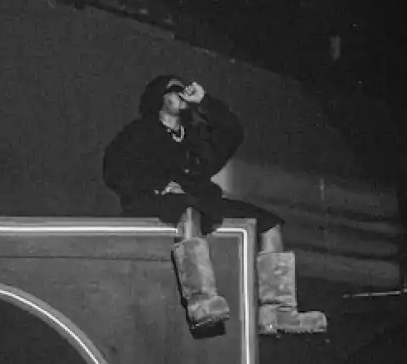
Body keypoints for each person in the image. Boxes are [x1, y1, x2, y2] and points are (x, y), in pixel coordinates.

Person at [103, 74, 327, 336]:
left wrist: (204, 102)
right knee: (188, 210)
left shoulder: (194, 135)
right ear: (159, 98)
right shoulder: (140, 132)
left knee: (269, 223)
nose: (181, 93)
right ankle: (201, 301)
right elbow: (114, 169)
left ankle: (277, 312)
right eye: (174, 89)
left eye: (183, 89)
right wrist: (157, 185)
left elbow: (233, 133)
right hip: (156, 200)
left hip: (201, 199)